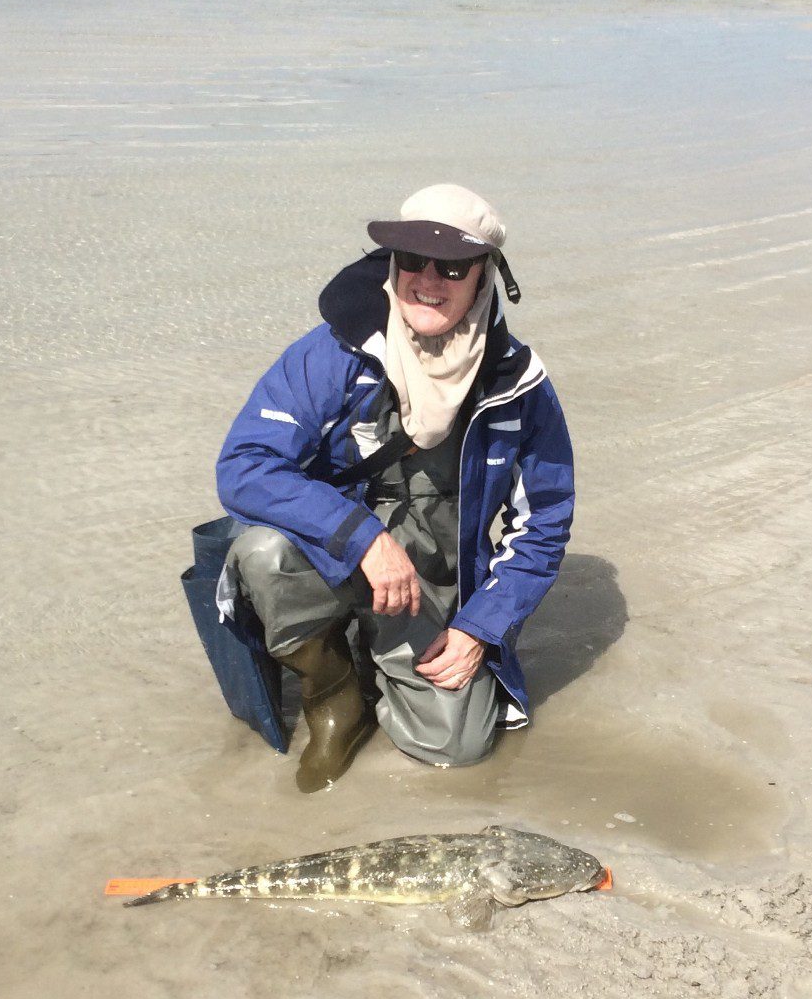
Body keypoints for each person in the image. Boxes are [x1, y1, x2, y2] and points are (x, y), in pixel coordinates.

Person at [215, 183, 574, 791]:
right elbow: (245, 465)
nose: (428, 279)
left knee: (456, 750)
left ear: (486, 275)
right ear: (391, 263)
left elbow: (543, 525)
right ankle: (335, 697)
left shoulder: (521, 385)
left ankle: (394, 662)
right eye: (412, 259)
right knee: (264, 554)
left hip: (434, 577)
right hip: (335, 552)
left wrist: (479, 629)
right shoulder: (328, 354)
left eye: (453, 266)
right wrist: (366, 540)